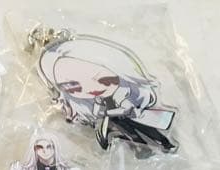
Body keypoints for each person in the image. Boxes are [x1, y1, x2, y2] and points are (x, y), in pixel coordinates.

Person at [37, 34, 177, 155]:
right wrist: (102, 111)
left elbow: (127, 108)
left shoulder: (122, 92)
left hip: (136, 117)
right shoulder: (96, 101)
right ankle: (141, 149)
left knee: (149, 131)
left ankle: (165, 143)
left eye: (98, 77)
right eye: (73, 87)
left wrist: (109, 113)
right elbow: (98, 113)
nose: (90, 88)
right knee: (129, 136)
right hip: (119, 124)